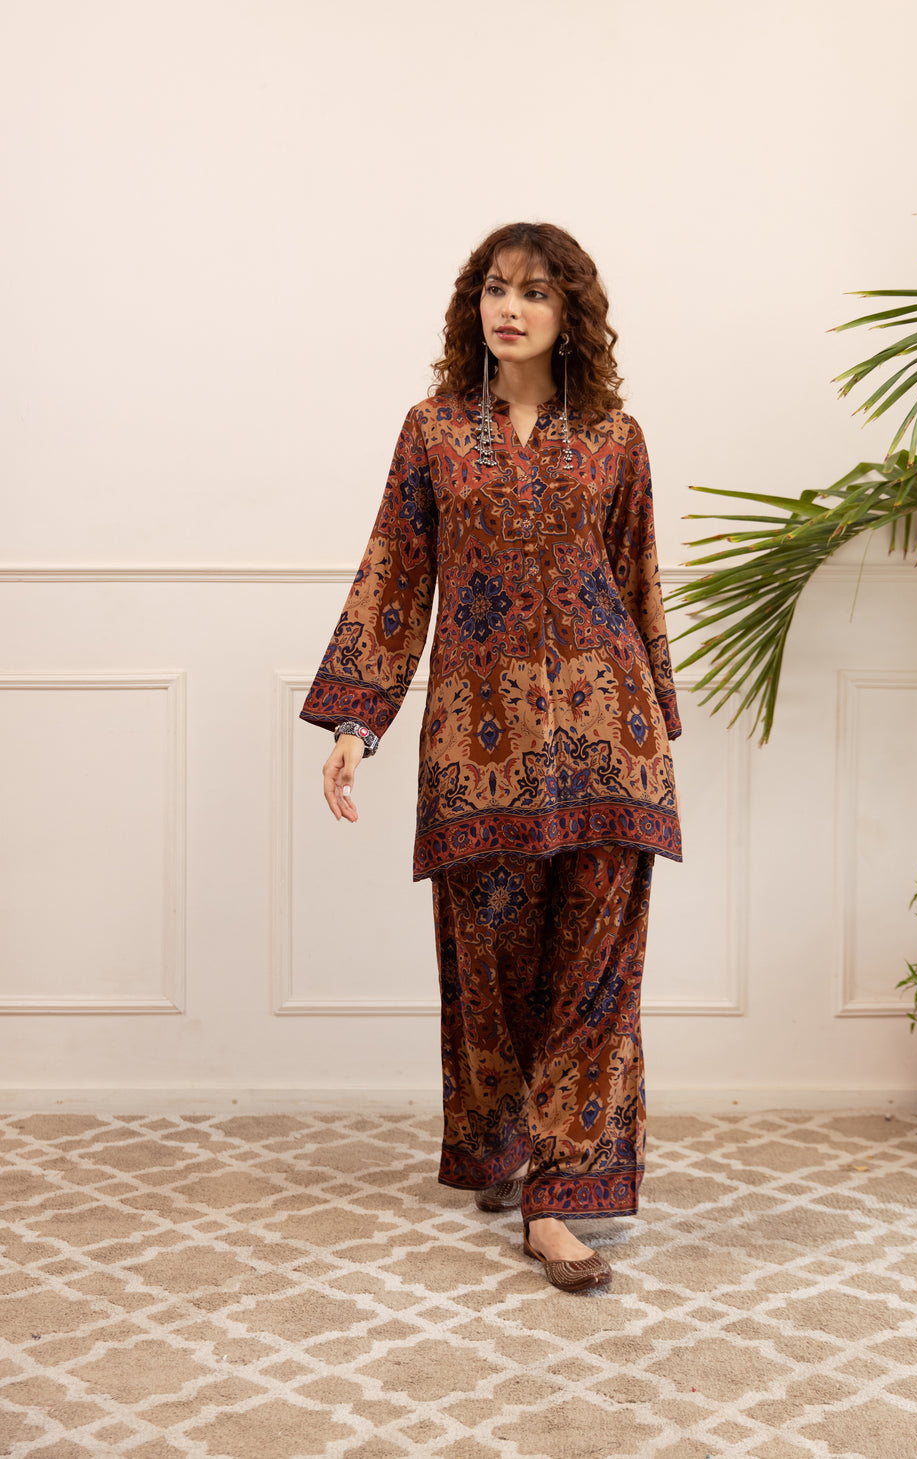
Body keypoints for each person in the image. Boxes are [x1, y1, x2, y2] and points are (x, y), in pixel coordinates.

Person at [299, 221, 682, 1291]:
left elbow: (639, 578)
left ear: (572, 314)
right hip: (479, 748)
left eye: (537, 292)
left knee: (595, 978)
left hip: (610, 745)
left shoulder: (615, 437)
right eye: (496, 289)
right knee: (491, 972)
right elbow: (394, 571)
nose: (511, 308)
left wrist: (660, 715)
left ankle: (560, 1199)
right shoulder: (432, 431)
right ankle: (506, 1142)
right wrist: (356, 721)